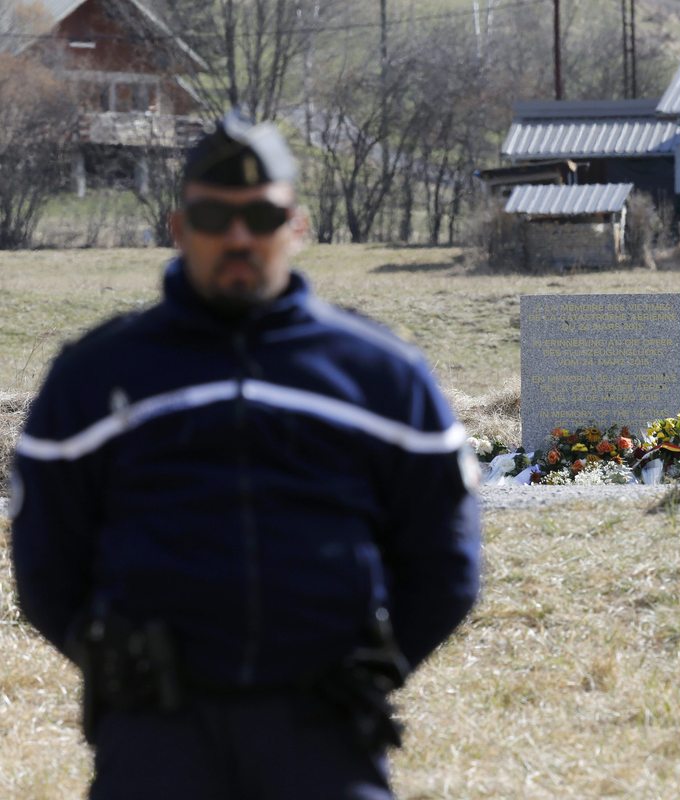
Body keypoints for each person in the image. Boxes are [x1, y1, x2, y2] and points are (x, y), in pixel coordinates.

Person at [9, 111, 482, 800]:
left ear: (297, 226)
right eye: (213, 216)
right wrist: (107, 658)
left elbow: (446, 560)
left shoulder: (382, 375)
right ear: (178, 228)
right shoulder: (93, 376)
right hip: (156, 732)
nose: (238, 237)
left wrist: (381, 666)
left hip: (324, 727)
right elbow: (46, 564)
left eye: (261, 216)